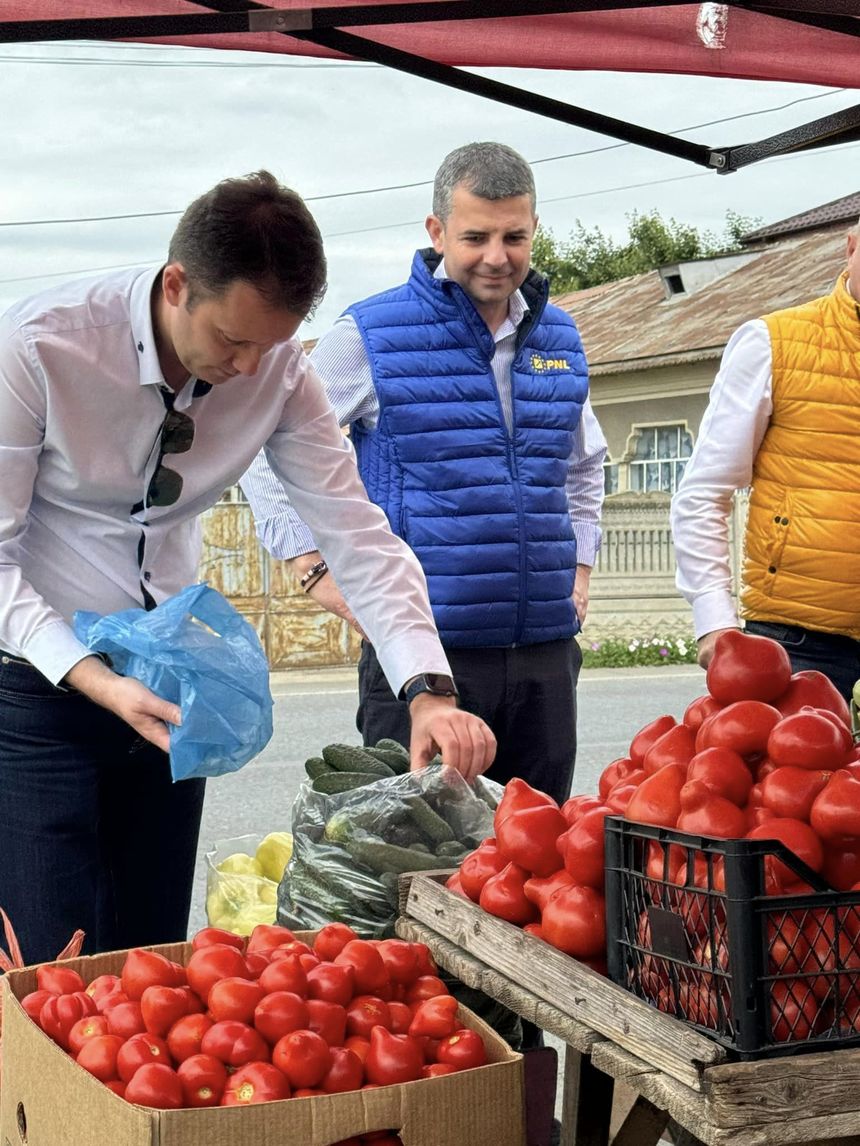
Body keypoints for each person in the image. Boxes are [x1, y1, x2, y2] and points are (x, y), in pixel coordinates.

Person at [0, 169, 496, 966]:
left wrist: (428, 690)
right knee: (50, 961)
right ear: (176, 285)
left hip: (167, 683)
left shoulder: (278, 372)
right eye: (232, 340)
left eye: (271, 343)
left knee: (153, 954)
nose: (247, 367)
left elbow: (357, 536)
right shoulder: (38, 345)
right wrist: (92, 677)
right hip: (34, 684)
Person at [242, 142, 607, 807]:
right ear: (436, 232)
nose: (497, 256)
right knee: (413, 870)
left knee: (535, 868)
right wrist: (310, 564)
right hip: (425, 662)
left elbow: (583, 464)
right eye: (476, 236)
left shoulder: (561, 337)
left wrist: (580, 569)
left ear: (533, 230)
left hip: (544, 656)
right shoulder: (371, 334)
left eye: (514, 236)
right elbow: (269, 442)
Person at [671, 218, 860, 699]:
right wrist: (715, 621)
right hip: (798, 645)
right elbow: (703, 492)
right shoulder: (772, 343)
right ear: (851, 245)